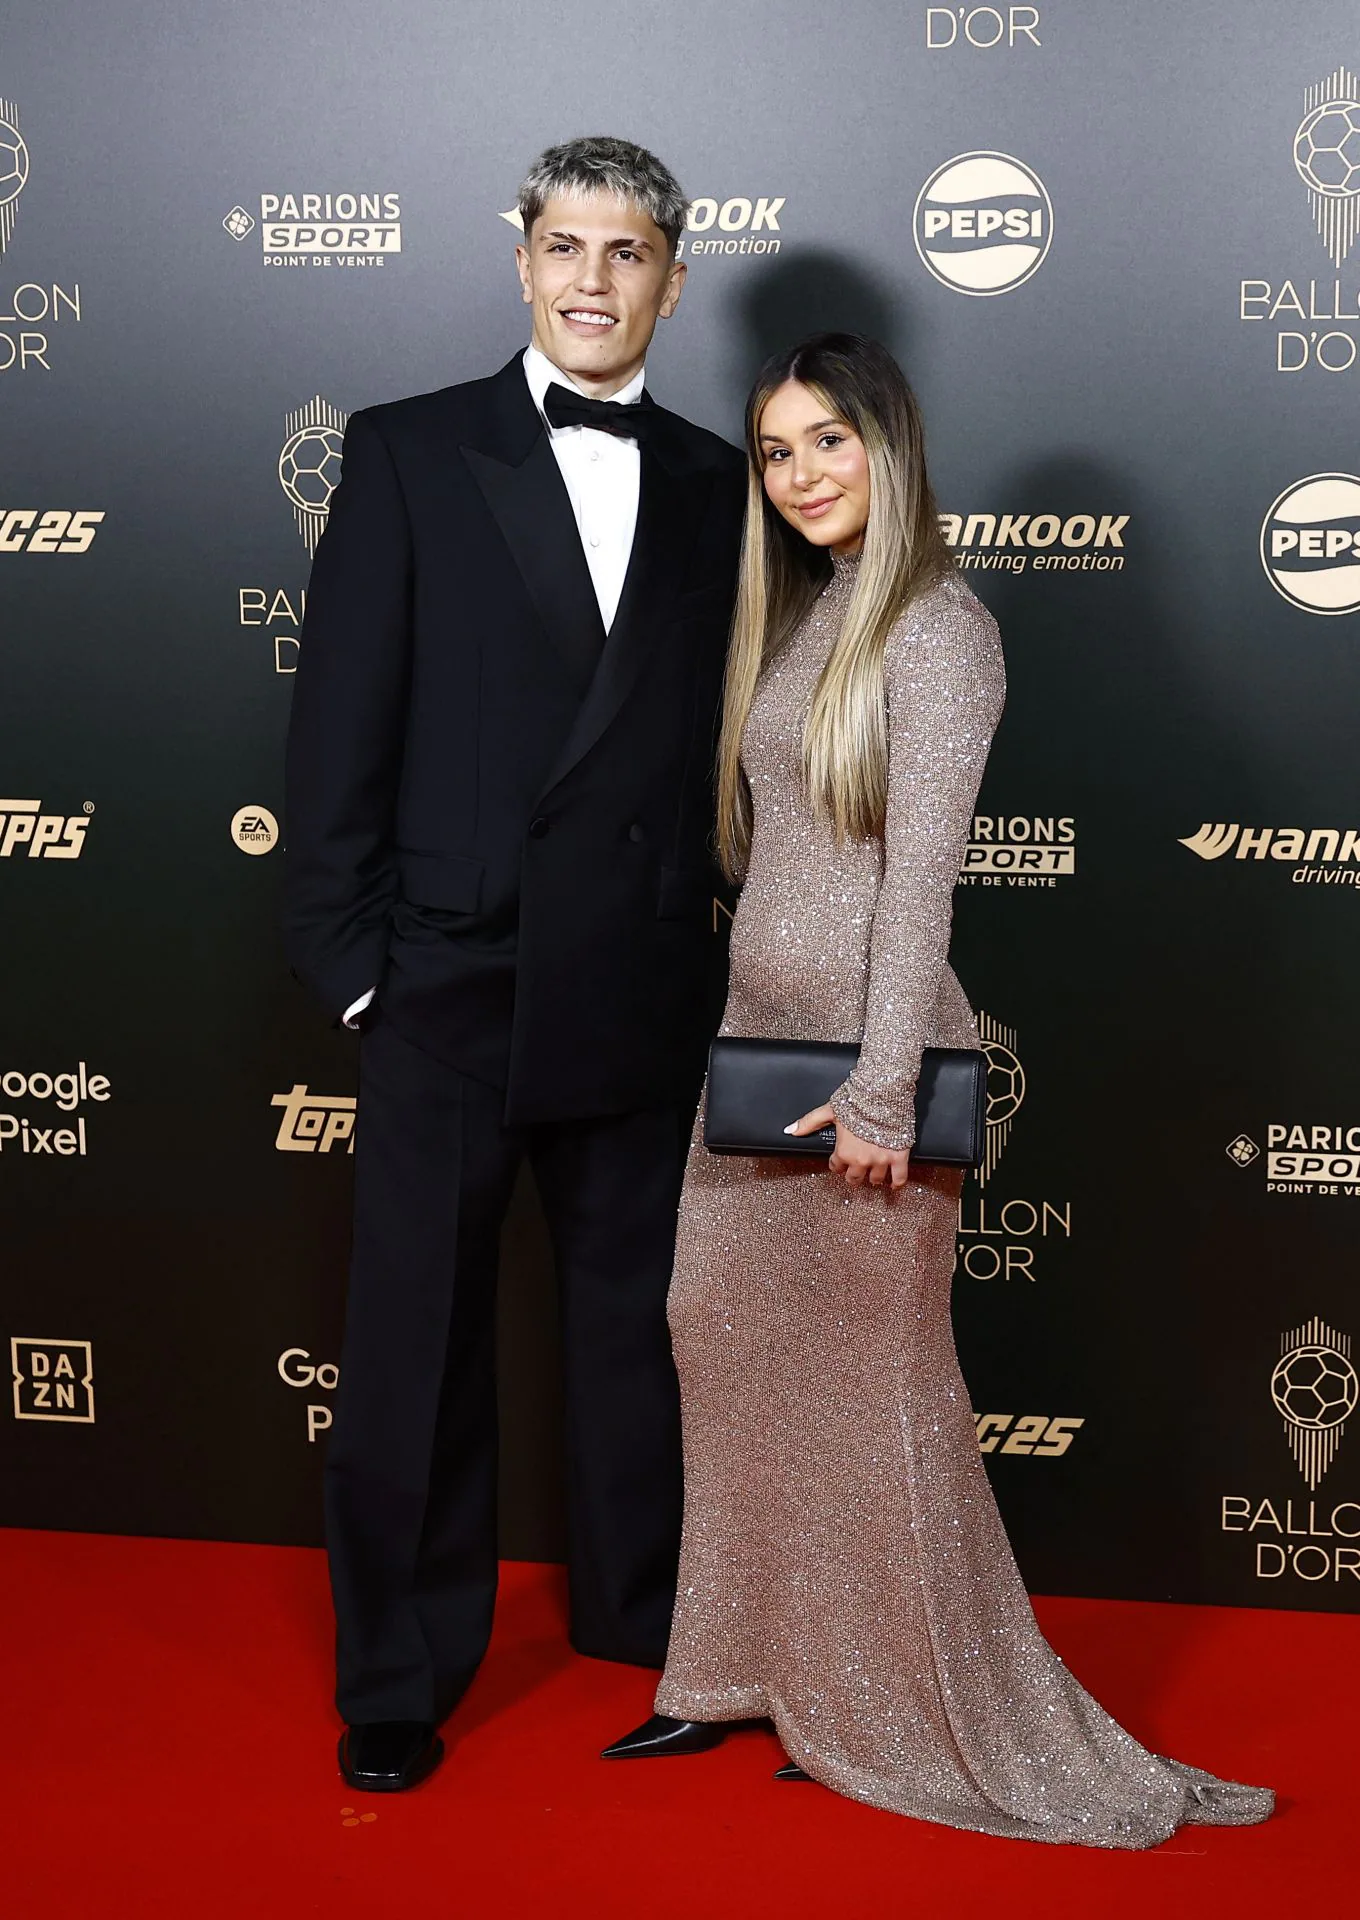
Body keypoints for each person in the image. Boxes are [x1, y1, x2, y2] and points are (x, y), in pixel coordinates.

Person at [603, 333, 1273, 1847]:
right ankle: (736, 1666)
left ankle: (890, 1696)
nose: (801, 475)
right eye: (777, 452)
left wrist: (889, 1092)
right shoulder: (805, 616)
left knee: (879, 1390)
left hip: (867, 1064)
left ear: (890, 447)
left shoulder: (939, 630)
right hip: (756, 1056)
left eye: (828, 441)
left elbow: (922, 889)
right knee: (716, 1340)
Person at [283, 136, 744, 1793]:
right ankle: (397, 1674)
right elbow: (334, 728)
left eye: (627, 255)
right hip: (448, 985)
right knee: (414, 1345)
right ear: (523, 258)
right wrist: (357, 972)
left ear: (672, 279)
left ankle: (649, 1626)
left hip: (635, 983)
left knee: (640, 1338)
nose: (592, 280)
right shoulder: (410, 453)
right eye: (565, 246)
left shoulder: (712, 479)